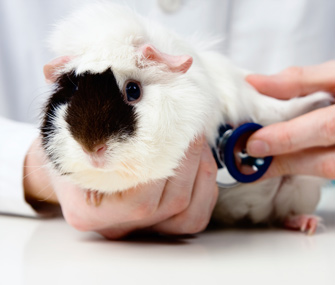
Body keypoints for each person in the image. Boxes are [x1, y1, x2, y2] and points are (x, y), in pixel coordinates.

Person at [1, 0, 334, 239]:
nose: (95, 138)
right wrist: (37, 171)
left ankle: (290, 214)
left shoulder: (206, 83)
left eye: (132, 91)